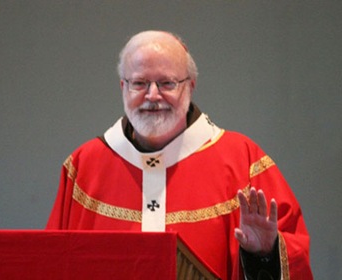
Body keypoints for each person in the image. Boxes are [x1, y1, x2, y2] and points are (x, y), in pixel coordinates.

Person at [46, 30, 313, 279]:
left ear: (190, 86)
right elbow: (52, 263)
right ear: (122, 87)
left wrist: (264, 255)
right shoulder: (85, 165)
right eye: (139, 83)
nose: (152, 95)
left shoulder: (243, 161)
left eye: (167, 83)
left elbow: (293, 252)